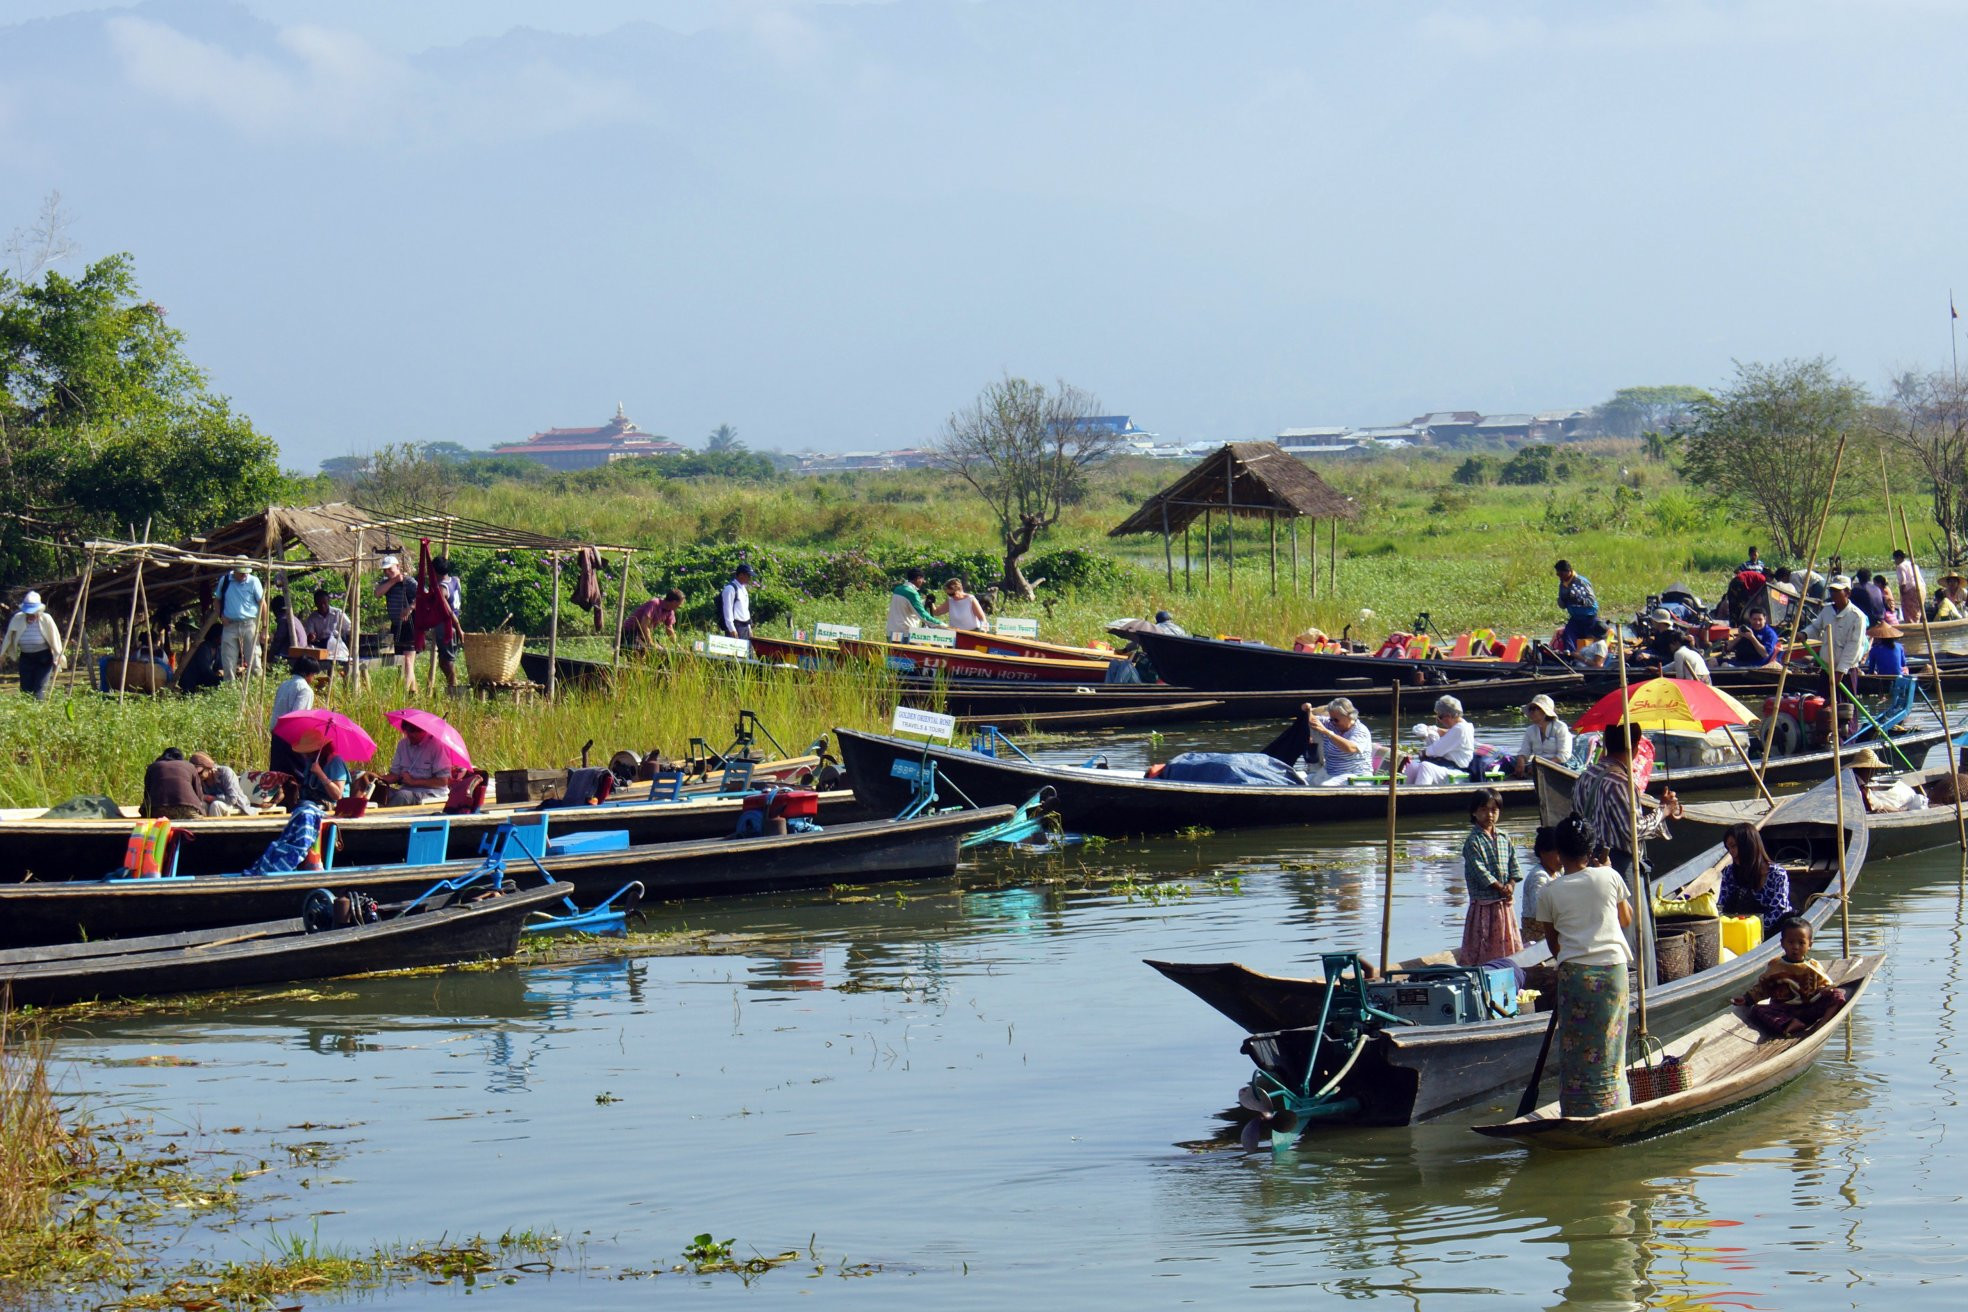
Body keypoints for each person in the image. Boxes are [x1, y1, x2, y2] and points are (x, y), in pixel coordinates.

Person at [1536, 815, 1635, 1117]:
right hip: (1612, 971)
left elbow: (1553, 944)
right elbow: (1626, 919)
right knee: (1611, 1044)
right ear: (1590, 850)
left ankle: (1577, 1109)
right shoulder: (1610, 876)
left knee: (1575, 1046)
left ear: (1559, 852)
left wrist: (1572, 959)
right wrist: (1606, 870)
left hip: (1575, 975)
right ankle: (1614, 1106)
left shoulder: (1549, 891)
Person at [1572, 722, 1682, 878]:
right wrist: (1664, 810)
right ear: (1635, 747)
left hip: (1588, 862)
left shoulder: (1585, 776)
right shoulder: (1622, 784)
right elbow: (1634, 831)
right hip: (1618, 867)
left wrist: (1664, 812)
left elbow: (1577, 817)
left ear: (1607, 743)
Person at [1732, 916, 1847, 1037]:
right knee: (1757, 1010)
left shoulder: (1813, 966)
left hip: (1809, 1008)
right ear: (1782, 943)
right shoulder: (1775, 966)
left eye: (1801, 943)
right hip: (1784, 1011)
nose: (1795, 947)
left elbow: (1825, 985)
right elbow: (1762, 988)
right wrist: (1746, 999)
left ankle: (1822, 1024)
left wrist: (1824, 990)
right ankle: (1790, 1024)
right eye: (1791, 942)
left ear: (1810, 944)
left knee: (1837, 995)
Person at [1458, 788, 1523, 966]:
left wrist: (1511, 884)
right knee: (1483, 947)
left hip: (1504, 904)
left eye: (1494, 810)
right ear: (1474, 812)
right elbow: (1480, 872)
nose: (1489, 814)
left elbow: (1514, 865)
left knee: (1507, 943)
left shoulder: (1504, 837)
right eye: (1484, 809)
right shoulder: (1473, 841)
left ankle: (1508, 968)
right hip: (1484, 906)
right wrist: (1500, 887)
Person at [1804, 575, 1867, 728]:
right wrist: (1804, 633)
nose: (1833, 594)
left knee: (1845, 708)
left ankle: (1847, 737)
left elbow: (1853, 646)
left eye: (1837, 591)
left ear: (1847, 593)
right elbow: (1815, 627)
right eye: (1832, 591)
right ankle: (1824, 735)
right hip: (1826, 668)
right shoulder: (1827, 611)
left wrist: (1840, 671)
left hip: (1846, 670)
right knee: (1823, 705)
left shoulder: (1856, 616)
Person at [1717, 821, 1794, 936]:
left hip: (1772, 929)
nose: (1731, 853)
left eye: (1734, 846)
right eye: (1729, 848)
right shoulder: (1730, 873)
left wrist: (1752, 929)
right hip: (1742, 928)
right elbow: (1722, 906)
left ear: (1748, 845)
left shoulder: (1777, 874)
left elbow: (1778, 910)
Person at [411, 554, 464, 693]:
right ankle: (452, 687)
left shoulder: (442, 589)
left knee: (447, 661)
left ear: (435, 571)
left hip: (447, 627)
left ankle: (454, 688)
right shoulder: (455, 580)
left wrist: (459, 629)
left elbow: (449, 612)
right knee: (443, 660)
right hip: (450, 625)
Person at [0, 590, 64, 700]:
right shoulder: (17, 618)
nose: (30, 615)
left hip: (43, 658)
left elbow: (55, 638)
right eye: (28, 613)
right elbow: (8, 638)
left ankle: (40, 708)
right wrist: (1, 655)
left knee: (39, 690)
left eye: (33, 612)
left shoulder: (46, 619)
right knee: (25, 690)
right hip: (26, 658)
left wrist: (58, 655)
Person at [1402, 695, 1474, 786]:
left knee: (1426, 767)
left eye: (1439, 717)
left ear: (1448, 716)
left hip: (1457, 772)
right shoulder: (1464, 726)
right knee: (1412, 766)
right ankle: (1401, 792)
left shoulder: (1459, 729)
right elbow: (1448, 732)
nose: (1439, 720)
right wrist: (1434, 730)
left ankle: (1419, 794)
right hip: (1445, 766)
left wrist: (1424, 751)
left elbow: (1435, 751)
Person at [214, 557, 266, 680]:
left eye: (246, 572)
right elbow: (216, 601)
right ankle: (230, 688)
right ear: (234, 570)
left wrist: (264, 628)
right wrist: (221, 616)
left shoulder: (254, 581)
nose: (244, 575)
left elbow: (263, 604)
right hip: (230, 625)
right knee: (228, 660)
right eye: (242, 572)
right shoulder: (225, 580)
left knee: (254, 658)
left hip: (249, 624)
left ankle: (257, 684)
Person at [381, 720, 453, 806]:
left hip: (430, 794)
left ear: (424, 730)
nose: (411, 735)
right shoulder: (402, 745)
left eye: (414, 731)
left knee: (403, 796)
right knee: (380, 792)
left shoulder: (438, 746)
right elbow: (394, 775)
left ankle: (385, 813)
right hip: (406, 791)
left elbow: (443, 781)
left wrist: (413, 781)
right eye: (408, 731)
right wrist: (377, 779)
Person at [374, 554, 419, 689]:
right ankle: (413, 692)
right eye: (385, 570)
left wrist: (410, 608)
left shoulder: (409, 582)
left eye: (390, 569)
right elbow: (377, 593)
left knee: (408, 661)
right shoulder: (387, 583)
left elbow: (423, 596)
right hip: (397, 625)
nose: (387, 572)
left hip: (410, 625)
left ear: (398, 567)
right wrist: (393, 581)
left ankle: (404, 692)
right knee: (402, 661)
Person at [268, 655, 318, 774]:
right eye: (313, 674)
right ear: (308, 673)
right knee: (296, 775)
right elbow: (298, 717)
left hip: (277, 734)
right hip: (291, 738)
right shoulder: (305, 690)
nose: (313, 677)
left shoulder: (284, 685)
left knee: (277, 775)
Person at [1308, 698, 1374, 785]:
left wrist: (1327, 732)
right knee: (1300, 781)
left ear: (1349, 716)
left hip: (1355, 776)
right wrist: (1308, 710)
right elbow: (1312, 721)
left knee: (1325, 786)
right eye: (1331, 719)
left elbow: (1350, 748)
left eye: (1336, 720)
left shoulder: (1360, 730)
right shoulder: (1330, 724)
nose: (1333, 723)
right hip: (1331, 773)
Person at [1847, 745, 1927, 813]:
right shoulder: (1854, 786)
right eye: (1873, 770)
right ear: (1865, 769)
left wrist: (1899, 811)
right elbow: (1863, 807)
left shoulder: (1862, 785)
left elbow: (1878, 805)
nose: (1873, 773)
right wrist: (1873, 812)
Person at [1509, 694, 1573, 778]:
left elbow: (1564, 755)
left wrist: (1542, 767)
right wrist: (1521, 760)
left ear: (1545, 711)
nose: (1532, 712)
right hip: (1536, 766)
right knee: (1509, 762)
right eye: (1531, 709)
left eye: (1535, 708)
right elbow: (1525, 751)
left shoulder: (1560, 727)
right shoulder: (1530, 730)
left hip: (1557, 766)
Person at [1521, 825, 1562, 947]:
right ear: (1543, 853)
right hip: (1538, 937)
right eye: (1558, 853)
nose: (1562, 858)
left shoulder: (1558, 873)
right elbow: (1539, 911)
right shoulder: (1538, 876)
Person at [141, 747, 205, 820]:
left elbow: (147, 794)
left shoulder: (153, 767)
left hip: (159, 811)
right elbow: (199, 795)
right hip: (188, 810)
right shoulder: (190, 766)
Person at [189, 751, 257, 816]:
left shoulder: (225, 772)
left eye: (199, 773)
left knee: (216, 805)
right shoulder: (200, 779)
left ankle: (215, 824)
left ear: (208, 767)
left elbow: (232, 799)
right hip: (214, 804)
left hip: (236, 805)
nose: (198, 776)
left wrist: (211, 798)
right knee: (200, 805)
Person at [886, 568, 945, 635]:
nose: (923, 582)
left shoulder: (898, 589)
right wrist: (943, 625)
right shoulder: (911, 593)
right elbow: (923, 615)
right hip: (905, 633)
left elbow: (908, 605)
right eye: (922, 579)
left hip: (891, 631)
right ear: (918, 578)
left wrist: (925, 601)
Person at [1555, 560, 1598, 650]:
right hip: (1575, 618)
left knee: (1589, 641)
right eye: (1558, 574)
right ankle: (1570, 655)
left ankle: (1587, 656)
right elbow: (1562, 605)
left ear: (1569, 571)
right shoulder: (1562, 584)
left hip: (1588, 617)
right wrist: (1563, 600)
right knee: (1568, 636)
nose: (1560, 577)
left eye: (1561, 574)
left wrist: (1580, 601)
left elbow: (1592, 600)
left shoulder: (1581, 582)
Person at [304, 587, 352, 659]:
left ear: (328, 601)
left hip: (337, 645)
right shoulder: (312, 618)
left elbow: (349, 628)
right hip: (321, 646)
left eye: (324, 603)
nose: (322, 606)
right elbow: (309, 634)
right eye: (319, 603)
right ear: (315, 604)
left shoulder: (338, 613)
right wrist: (311, 637)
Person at [176, 623, 224, 694]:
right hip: (191, 682)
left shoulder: (218, 649)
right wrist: (218, 679)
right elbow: (205, 670)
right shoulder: (204, 648)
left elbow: (219, 667)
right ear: (217, 636)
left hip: (203, 680)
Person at [265, 593, 307, 663]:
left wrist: (269, 656)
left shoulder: (284, 620)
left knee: (275, 658)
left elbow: (278, 640)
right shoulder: (294, 618)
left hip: (293, 654)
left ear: (276, 610)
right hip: (302, 651)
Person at [718, 563, 754, 640]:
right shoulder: (730, 589)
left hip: (745, 627)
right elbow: (727, 610)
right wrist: (732, 629)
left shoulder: (743, 589)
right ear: (741, 575)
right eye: (748, 576)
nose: (749, 578)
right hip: (736, 626)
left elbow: (745, 610)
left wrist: (749, 628)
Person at [1894, 549, 1926, 621]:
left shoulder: (1900, 566)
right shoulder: (1913, 565)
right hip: (1922, 588)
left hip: (1912, 590)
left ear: (1899, 557)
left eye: (1895, 559)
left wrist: (1902, 594)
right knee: (1917, 612)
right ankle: (1917, 624)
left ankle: (1912, 625)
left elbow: (1903, 582)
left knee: (1908, 613)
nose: (1894, 561)